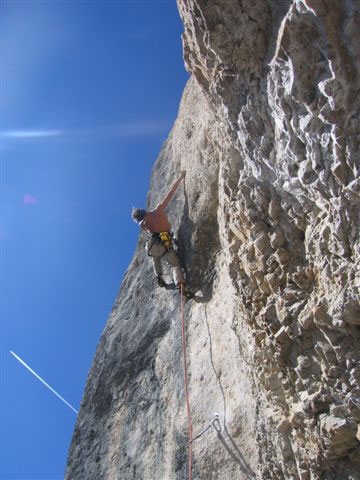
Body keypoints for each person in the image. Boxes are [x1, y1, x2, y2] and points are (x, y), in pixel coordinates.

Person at [132, 171, 192, 296]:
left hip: (152, 245)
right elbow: (170, 194)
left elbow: (145, 227)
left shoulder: (142, 224)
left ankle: (159, 276)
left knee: (156, 257)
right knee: (175, 264)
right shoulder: (158, 211)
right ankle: (180, 285)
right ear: (144, 210)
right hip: (164, 242)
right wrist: (180, 178)